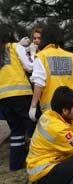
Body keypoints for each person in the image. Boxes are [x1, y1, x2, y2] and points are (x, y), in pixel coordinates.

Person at [28, 23, 73, 121]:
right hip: (70, 107)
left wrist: (33, 106)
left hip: (50, 108)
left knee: (51, 135)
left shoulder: (42, 56)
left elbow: (39, 83)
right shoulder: (70, 56)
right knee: (67, 134)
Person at [0, 23, 36, 171]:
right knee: (32, 127)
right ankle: (37, 159)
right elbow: (30, 67)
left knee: (16, 130)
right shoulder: (15, 47)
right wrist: (32, 53)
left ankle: (15, 165)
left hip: (3, 97)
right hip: (21, 94)